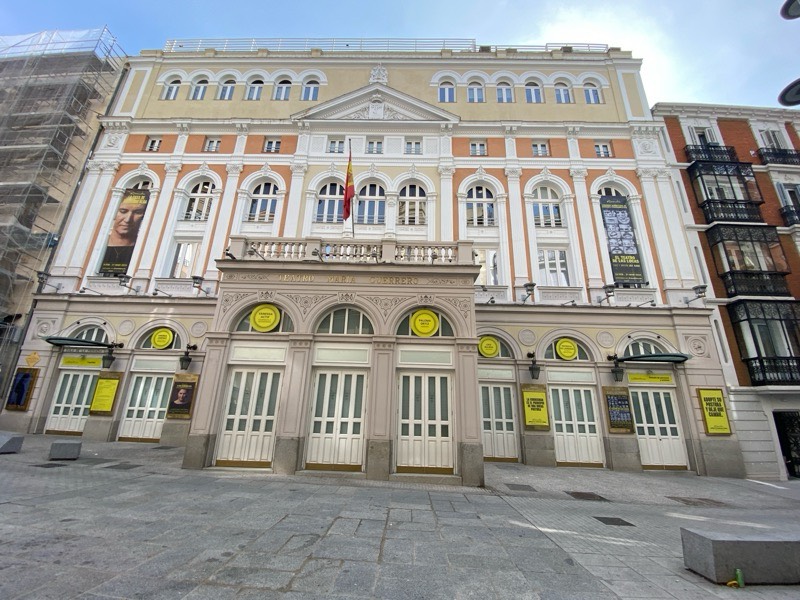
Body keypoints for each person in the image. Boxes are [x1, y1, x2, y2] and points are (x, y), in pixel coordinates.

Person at [100, 191, 148, 274]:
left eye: (137, 212)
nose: (128, 219)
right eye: (123, 211)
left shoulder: (141, 246)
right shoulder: (103, 245)